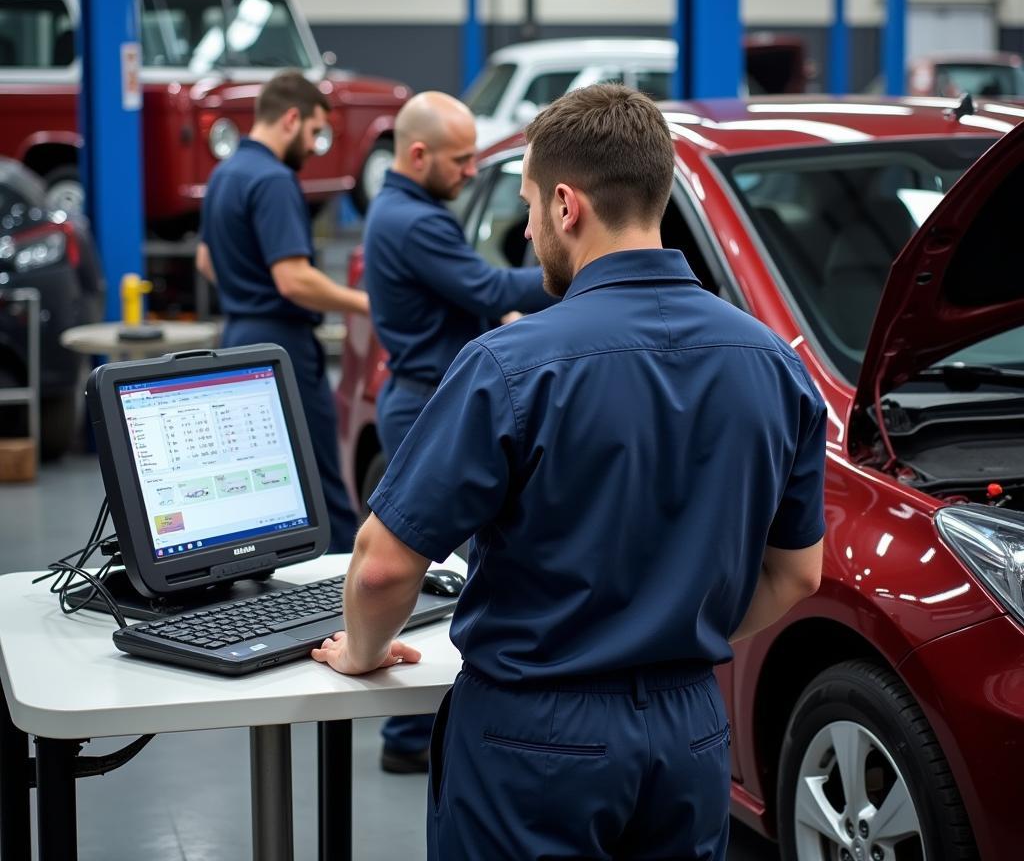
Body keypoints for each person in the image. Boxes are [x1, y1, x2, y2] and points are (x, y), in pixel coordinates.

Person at [312, 84, 825, 859]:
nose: (524, 227)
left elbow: (383, 568)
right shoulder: (776, 367)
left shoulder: (509, 368)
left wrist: (360, 650)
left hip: (534, 741)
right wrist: (669, 636)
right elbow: (795, 577)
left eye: (525, 205)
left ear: (564, 205)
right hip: (691, 734)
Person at [360, 89, 555, 773]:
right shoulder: (415, 223)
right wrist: (586, 272)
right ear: (418, 154)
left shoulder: (403, 210)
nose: (473, 171)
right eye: (462, 158)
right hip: (427, 402)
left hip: (419, 393)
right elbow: (489, 291)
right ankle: (411, 738)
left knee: (443, 572)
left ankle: (415, 732)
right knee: (442, 577)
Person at [196, 70, 368, 554]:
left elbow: (206, 260)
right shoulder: (273, 179)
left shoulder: (224, 173)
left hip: (236, 340)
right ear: (291, 118)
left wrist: (245, 290)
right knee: (319, 482)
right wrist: (365, 304)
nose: (315, 146)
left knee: (257, 487)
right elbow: (293, 279)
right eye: (315, 131)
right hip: (282, 347)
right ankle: (337, 596)